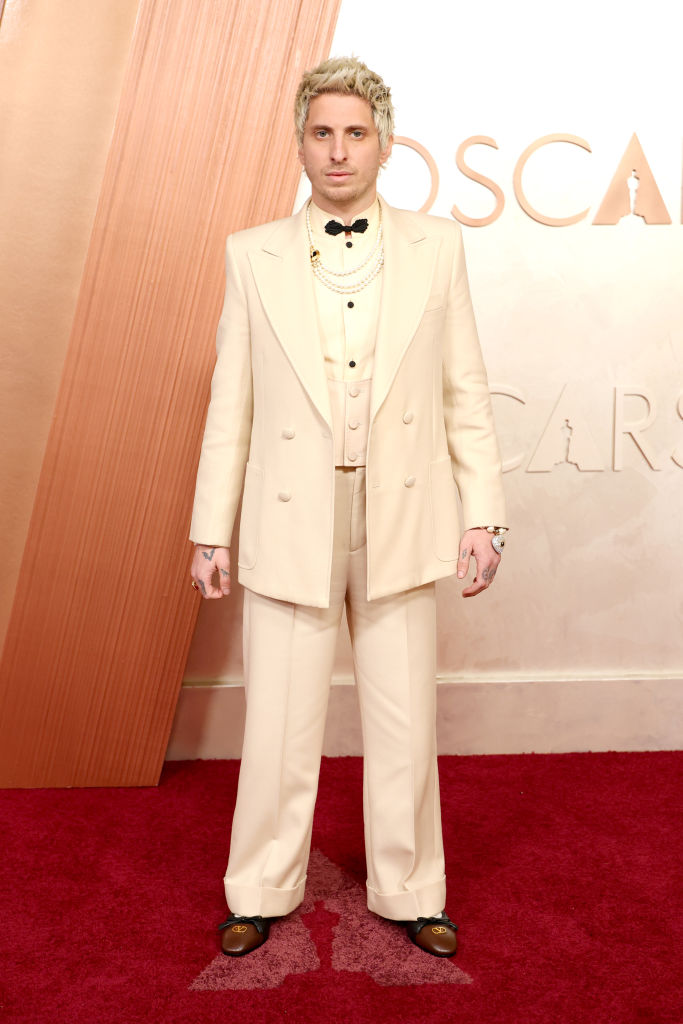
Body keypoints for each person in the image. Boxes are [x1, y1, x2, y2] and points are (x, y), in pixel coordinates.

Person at [189, 56, 507, 959]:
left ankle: (412, 890)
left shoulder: (437, 246)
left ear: (385, 143)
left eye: (354, 133)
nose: (338, 151)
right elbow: (232, 403)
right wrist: (210, 529)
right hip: (291, 512)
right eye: (322, 133)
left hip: (401, 514)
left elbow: (465, 392)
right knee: (279, 719)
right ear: (299, 143)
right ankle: (258, 886)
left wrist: (482, 514)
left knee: (403, 715)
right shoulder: (249, 253)